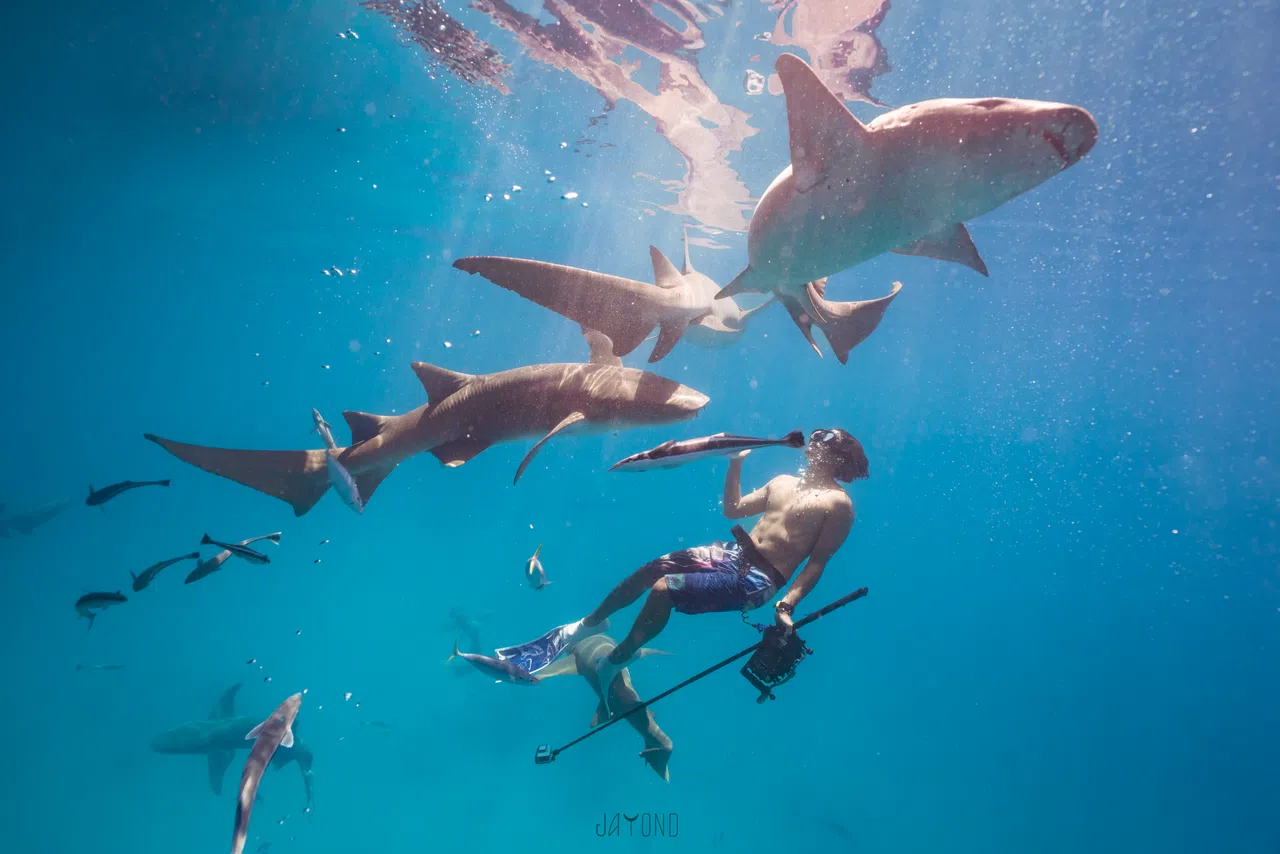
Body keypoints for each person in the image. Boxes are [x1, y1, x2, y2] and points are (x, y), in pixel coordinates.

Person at [496, 428, 867, 712]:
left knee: (664, 589)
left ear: (839, 458)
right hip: (732, 553)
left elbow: (818, 562)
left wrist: (786, 606)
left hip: (760, 580)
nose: (814, 445)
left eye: (825, 443)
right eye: (816, 439)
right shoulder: (783, 482)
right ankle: (589, 624)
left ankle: (617, 659)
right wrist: (736, 462)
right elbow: (734, 509)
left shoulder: (838, 504)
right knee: (652, 568)